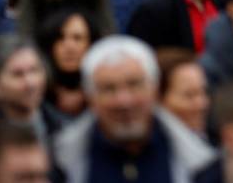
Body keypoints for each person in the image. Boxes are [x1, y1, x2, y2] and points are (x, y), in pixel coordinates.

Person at [52, 36, 215, 180]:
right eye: (108, 89)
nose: (124, 101)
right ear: (90, 98)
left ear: (154, 89)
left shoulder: (205, 166)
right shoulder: (57, 165)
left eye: (134, 85)